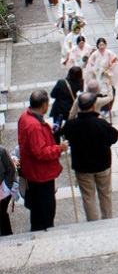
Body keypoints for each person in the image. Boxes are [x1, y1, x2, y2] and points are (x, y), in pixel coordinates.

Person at [59, 92, 118, 222]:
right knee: (105, 194)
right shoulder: (100, 123)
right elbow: (114, 137)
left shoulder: (71, 125)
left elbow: (63, 135)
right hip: (102, 165)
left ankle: (94, 223)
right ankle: (108, 221)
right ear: (93, 105)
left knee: (88, 197)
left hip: (83, 166)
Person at [17, 90, 70, 231]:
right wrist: (60, 148)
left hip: (33, 171)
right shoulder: (34, 125)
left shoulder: (25, 117)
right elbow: (39, 152)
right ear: (43, 105)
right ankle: (45, 232)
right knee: (45, 208)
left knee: (37, 208)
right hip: (40, 173)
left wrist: (48, 129)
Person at [86, 38, 118, 117]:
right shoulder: (94, 55)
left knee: (109, 92)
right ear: (97, 45)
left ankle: (107, 109)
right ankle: (99, 108)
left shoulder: (109, 53)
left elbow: (114, 64)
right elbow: (90, 65)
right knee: (98, 93)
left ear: (106, 45)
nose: (101, 46)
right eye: (100, 45)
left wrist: (109, 71)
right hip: (98, 76)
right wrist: (96, 70)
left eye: (103, 45)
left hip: (107, 76)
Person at [0, 145, 19, 236]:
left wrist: (7, 187)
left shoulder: (1, 151)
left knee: (1, 212)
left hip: (4, 188)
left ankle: (7, 234)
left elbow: (11, 169)